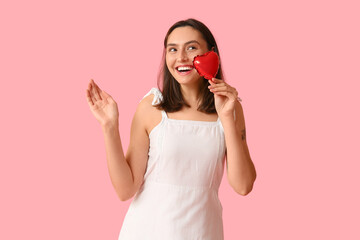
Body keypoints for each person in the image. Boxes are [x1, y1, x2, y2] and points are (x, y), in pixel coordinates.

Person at [86, 18, 256, 240]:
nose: (181, 58)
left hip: (203, 232)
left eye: (191, 47)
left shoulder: (231, 108)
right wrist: (109, 127)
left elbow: (243, 186)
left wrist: (226, 117)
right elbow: (125, 189)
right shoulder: (152, 107)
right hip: (149, 230)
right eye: (172, 49)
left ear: (211, 53)